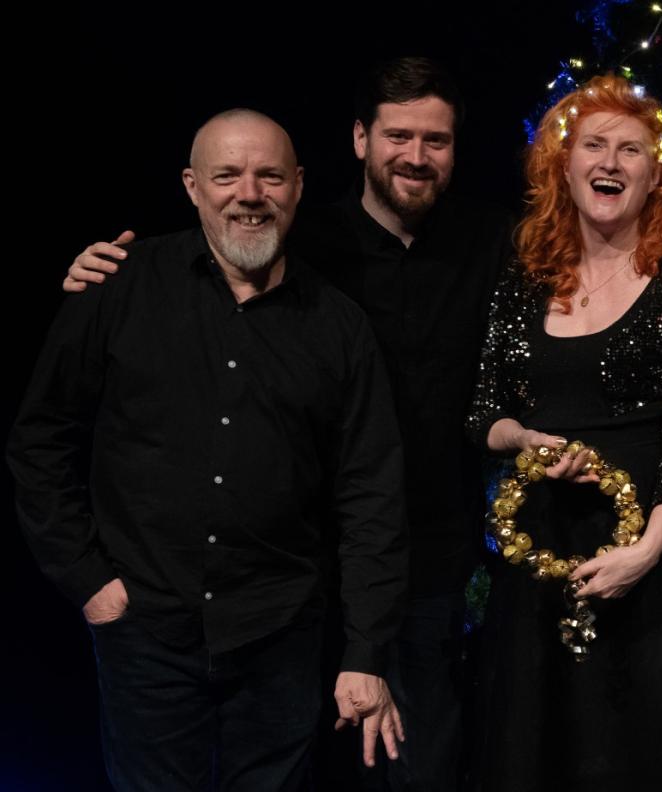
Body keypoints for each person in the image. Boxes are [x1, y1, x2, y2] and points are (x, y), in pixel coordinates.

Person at [61, 57, 510, 791]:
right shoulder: (298, 238)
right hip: (289, 575)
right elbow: (201, 259)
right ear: (361, 139)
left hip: (422, 560)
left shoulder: (494, 245)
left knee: (416, 766)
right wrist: (95, 274)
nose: (417, 156)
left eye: (438, 140)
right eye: (400, 136)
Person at [9, 109, 407, 791]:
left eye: (269, 176)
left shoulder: (339, 326)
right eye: (227, 175)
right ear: (193, 186)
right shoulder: (118, 285)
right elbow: (40, 440)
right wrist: (87, 582)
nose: (249, 193)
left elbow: (370, 491)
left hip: (280, 635)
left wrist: (365, 648)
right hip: (146, 633)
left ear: (298, 186)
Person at [464, 74, 662, 790]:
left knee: (646, 743)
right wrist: (524, 441)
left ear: (657, 173)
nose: (611, 162)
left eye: (631, 150)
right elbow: (484, 411)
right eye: (595, 145)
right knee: (536, 740)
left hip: (652, 557)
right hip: (542, 545)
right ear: (564, 162)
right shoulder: (524, 275)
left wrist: (646, 551)